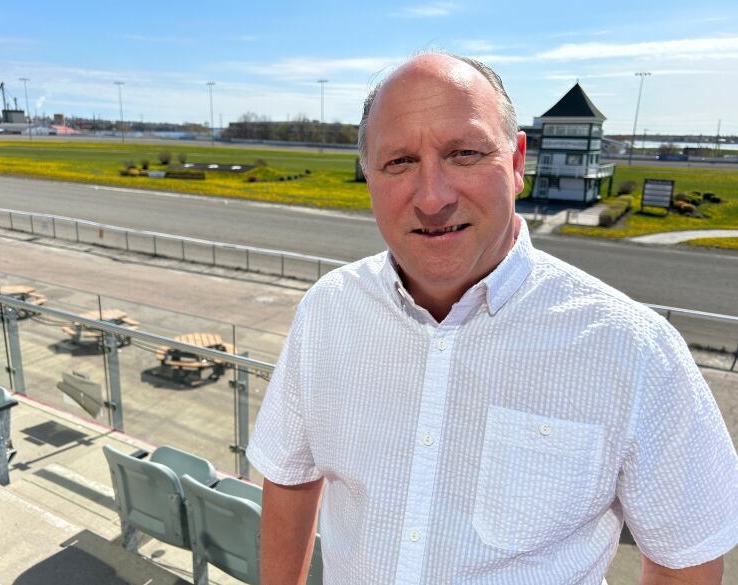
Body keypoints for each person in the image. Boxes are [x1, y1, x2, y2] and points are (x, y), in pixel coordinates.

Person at [246, 53, 737, 584]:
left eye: (464, 154)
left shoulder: (633, 349)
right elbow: (290, 479)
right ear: (368, 177)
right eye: (399, 162)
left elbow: (684, 562)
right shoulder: (327, 311)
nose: (432, 198)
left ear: (518, 161)